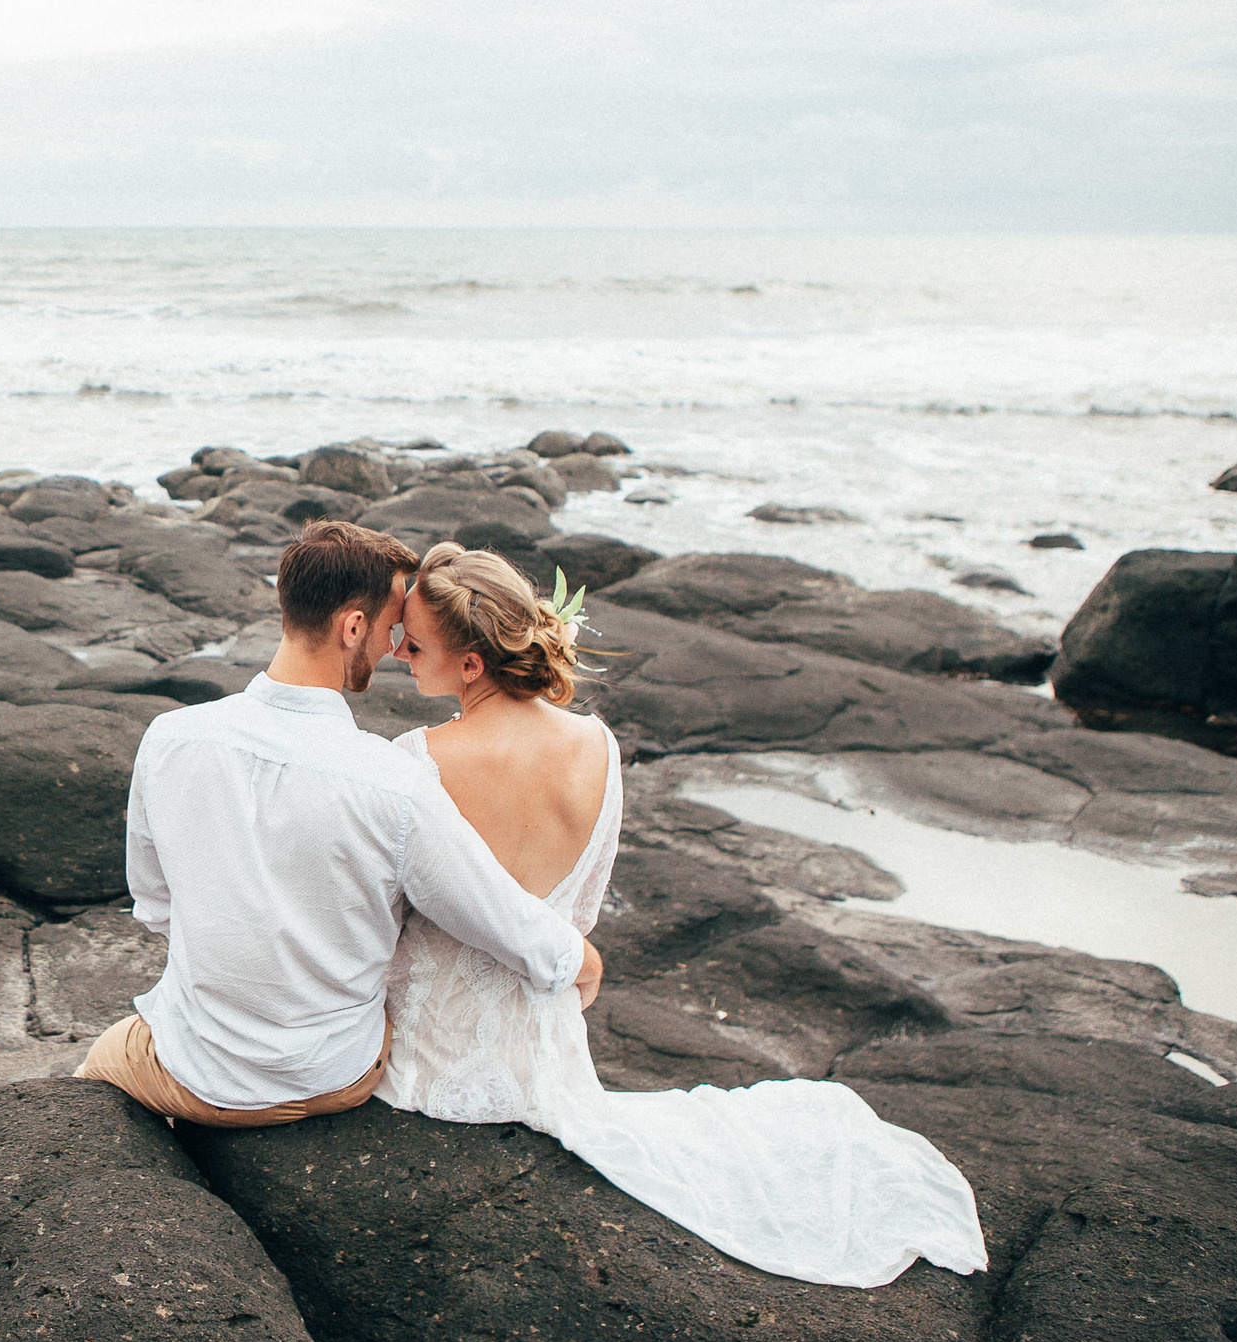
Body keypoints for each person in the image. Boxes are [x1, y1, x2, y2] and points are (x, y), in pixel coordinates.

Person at [373, 541, 988, 1289]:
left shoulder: (415, 759)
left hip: (426, 1074)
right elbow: (583, 911)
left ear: (471, 665)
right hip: (545, 1062)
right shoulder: (596, 744)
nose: (399, 652)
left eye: (414, 642)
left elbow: (391, 917)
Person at [78, 519, 601, 1127]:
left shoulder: (169, 738)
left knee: (93, 1076)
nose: (392, 647)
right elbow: (495, 916)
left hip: (189, 1065)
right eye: (388, 629)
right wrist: (583, 963)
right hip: (330, 1077)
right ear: (353, 626)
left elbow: (154, 905)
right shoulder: (394, 783)